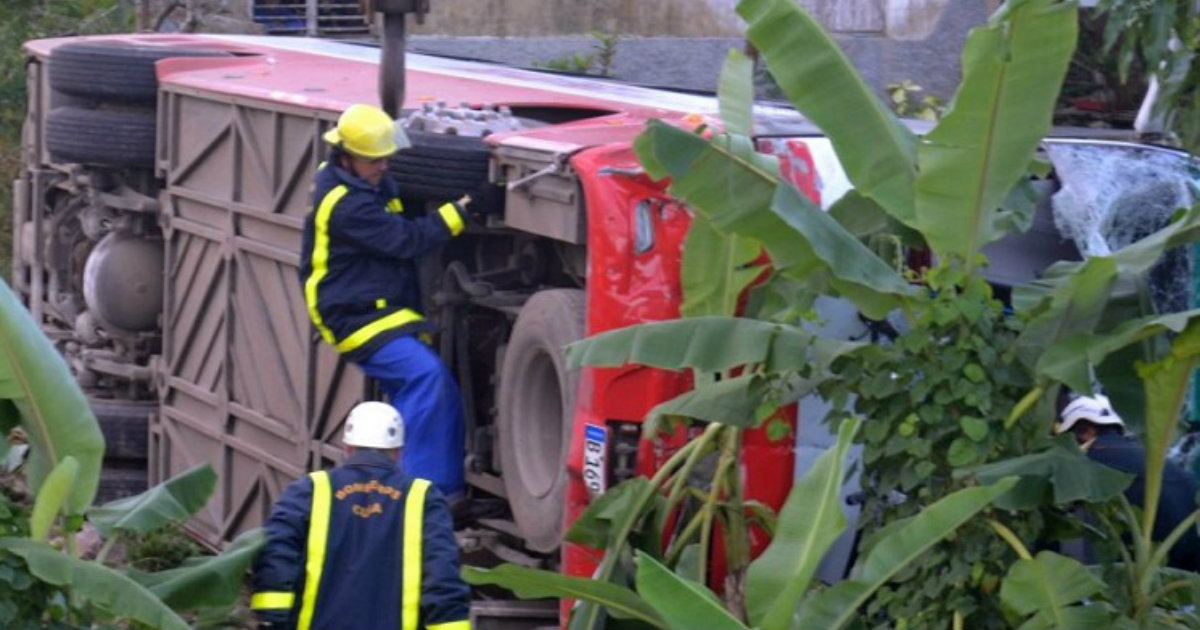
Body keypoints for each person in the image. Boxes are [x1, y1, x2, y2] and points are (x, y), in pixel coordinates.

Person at [300, 103, 468, 501]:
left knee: (427, 382)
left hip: (378, 308)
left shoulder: (356, 179)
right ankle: (425, 492)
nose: (383, 167)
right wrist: (456, 214)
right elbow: (404, 240)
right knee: (426, 378)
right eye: (373, 160)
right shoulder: (344, 201)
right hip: (353, 316)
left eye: (385, 158)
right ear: (347, 155)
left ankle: (410, 480)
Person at [250, 401, 471, 630]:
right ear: (397, 452)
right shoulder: (423, 497)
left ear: (347, 447)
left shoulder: (309, 490)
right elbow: (442, 576)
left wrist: (273, 619)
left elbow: (276, 555)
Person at [1056, 393, 1200, 571]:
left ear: (1086, 432)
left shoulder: (1087, 464)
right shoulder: (1161, 463)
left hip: (1135, 573)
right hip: (1184, 573)